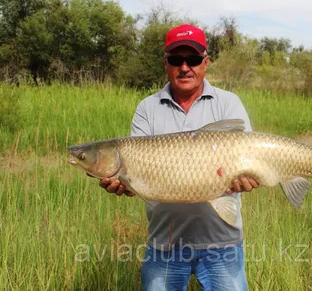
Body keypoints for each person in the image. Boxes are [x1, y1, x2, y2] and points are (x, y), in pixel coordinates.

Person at [99, 24, 260, 290]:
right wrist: (125, 186)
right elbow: (137, 180)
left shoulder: (228, 103)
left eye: (193, 59)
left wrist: (247, 177)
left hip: (222, 243)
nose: (185, 67)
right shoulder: (147, 108)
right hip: (165, 244)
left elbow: (249, 160)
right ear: (166, 64)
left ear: (205, 62)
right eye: (176, 60)